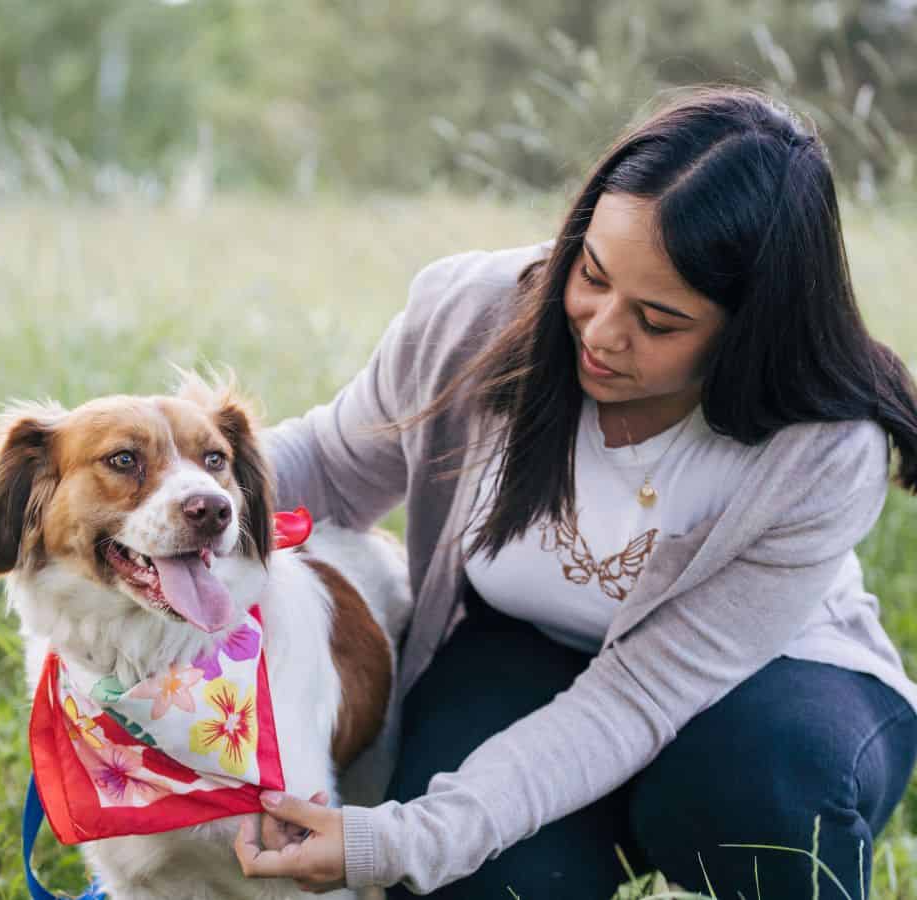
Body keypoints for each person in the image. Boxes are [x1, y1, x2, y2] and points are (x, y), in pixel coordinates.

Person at [232, 86, 917, 898]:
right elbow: (330, 464)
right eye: (590, 274)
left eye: (658, 322)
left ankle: (665, 811)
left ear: (753, 330)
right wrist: (160, 501)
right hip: (524, 643)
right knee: (478, 881)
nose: (597, 331)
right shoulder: (474, 315)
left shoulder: (822, 448)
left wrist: (403, 837)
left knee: (758, 792)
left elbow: (638, 694)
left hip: (760, 684)